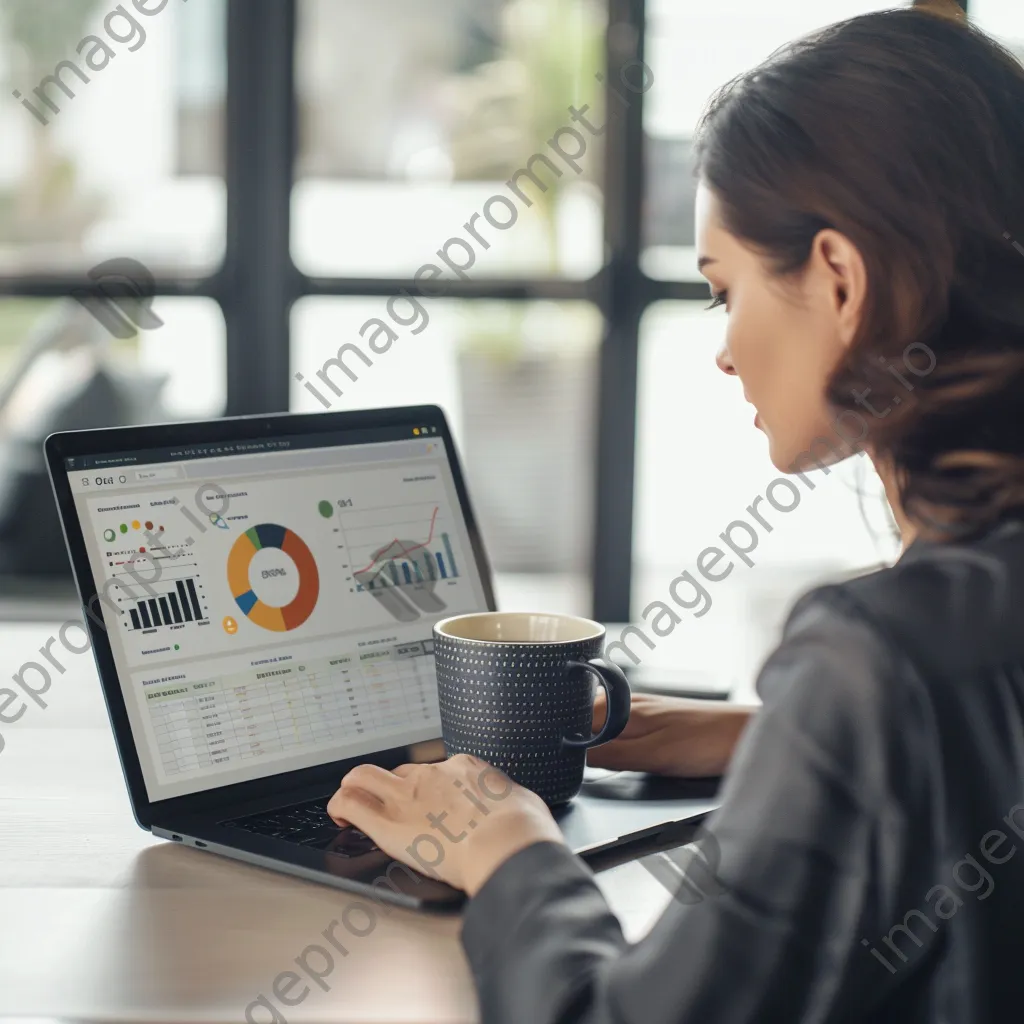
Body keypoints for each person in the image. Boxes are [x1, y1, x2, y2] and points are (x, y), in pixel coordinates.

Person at [327, 7, 1024, 1021]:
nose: (725, 349)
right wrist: (758, 735)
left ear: (837, 279)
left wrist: (506, 845)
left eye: (722, 289)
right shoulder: (933, 639)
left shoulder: (874, 652)